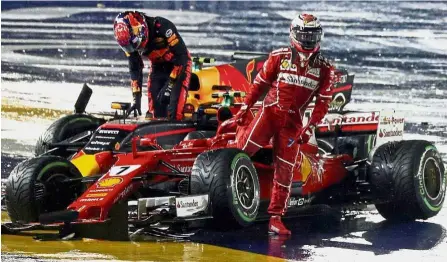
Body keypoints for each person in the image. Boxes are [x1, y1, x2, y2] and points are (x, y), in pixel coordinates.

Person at [234, 14, 335, 235]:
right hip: (268, 115)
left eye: (312, 35)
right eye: (304, 34)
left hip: (293, 125)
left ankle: (276, 218)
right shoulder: (278, 57)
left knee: (285, 169)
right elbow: (259, 84)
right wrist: (244, 107)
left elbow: (323, 104)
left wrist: (310, 127)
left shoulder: (326, 69)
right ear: (293, 34)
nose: (308, 39)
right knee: (240, 152)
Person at [113, 11, 192, 120]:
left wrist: (169, 85)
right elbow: (135, 69)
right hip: (157, 66)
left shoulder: (163, 27)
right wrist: (136, 99)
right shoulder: (129, 42)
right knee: (156, 111)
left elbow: (182, 57)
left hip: (179, 65)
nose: (133, 49)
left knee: (175, 111)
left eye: (134, 45)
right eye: (128, 47)